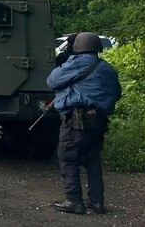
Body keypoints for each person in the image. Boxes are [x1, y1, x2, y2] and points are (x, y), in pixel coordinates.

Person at [47, 32, 122, 215]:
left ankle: (73, 201)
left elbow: (52, 81)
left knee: (67, 156)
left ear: (77, 47)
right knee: (92, 159)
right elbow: (117, 93)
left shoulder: (77, 63)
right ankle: (97, 202)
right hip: (100, 120)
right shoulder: (107, 68)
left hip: (78, 120)